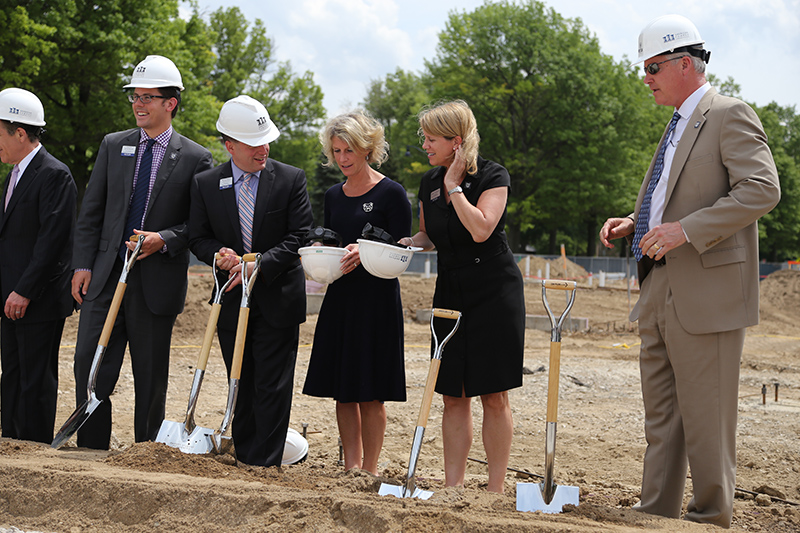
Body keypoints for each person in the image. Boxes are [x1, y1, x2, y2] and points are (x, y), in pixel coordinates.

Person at [599, 15, 780, 528]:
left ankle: (710, 516)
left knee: (706, 418)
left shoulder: (730, 114)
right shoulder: (677, 123)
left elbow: (762, 189)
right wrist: (638, 223)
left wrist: (685, 230)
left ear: (686, 64)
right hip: (659, 286)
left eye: (653, 67)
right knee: (663, 416)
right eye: (644, 68)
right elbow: (676, 193)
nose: (646, 77)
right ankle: (655, 512)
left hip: (706, 290)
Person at [71, 55, 213, 449]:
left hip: (155, 283)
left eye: (148, 97)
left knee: (151, 375)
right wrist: (83, 263)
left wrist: (164, 238)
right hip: (105, 278)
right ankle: (93, 448)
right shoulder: (113, 145)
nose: (138, 104)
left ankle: (145, 453)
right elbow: (92, 212)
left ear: (171, 103)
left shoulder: (196, 158)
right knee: (89, 364)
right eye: (135, 96)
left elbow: (198, 226)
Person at [398, 100, 525, 493]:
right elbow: (430, 235)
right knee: (453, 395)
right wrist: (407, 244)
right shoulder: (427, 182)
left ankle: (494, 489)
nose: (424, 144)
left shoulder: (492, 175)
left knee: (493, 393)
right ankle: (453, 487)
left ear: (455, 142)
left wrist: (454, 187)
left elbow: (482, 229)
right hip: (450, 290)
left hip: (494, 290)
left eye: (430, 137)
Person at [189, 95, 313, 467]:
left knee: (271, 386)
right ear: (230, 145)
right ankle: (245, 455)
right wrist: (222, 256)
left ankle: (265, 464)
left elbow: (301, 235)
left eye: (266, 141)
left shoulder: (290, 179)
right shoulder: (206, 184)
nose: (264, 149)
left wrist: (260, 263)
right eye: (254, 143)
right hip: (231, 299)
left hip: (278, 298)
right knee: (239, 379)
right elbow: (198, 237)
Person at [302, 111, 410, 475]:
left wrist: (366, 253)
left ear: (368, 148)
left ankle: (371, 469)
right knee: (344, 389)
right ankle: (351, 467)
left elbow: (401, 251)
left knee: (372, 391)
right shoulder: (333, 195)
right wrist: (322, 249)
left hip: (377, 302)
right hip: (341, 298)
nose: (342, 158)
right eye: (336, 151)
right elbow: (332, 239)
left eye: (349, 150)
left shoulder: (392, 194)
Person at [0, 88, 77, 444]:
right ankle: (12, 442)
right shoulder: (13, 175)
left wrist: (24, 291)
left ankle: (33, 449)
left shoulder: (54, 175)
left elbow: (51, 245)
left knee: (35, 379)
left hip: (38, 301)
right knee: (12, 375)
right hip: (11, 299)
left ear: (19, 132)